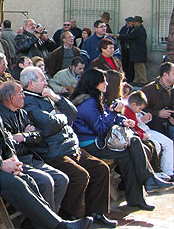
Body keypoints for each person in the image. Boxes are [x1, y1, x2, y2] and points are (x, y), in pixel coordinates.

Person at [0, 73, 93, 229]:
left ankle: (48, 225)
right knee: (16, 183)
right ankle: (60, 226)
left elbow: (5, 137)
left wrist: (13, 159)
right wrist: (1, 164)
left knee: (31, 181)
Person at [20, 66, 115, 226]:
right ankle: (69, 215)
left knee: (100, 168)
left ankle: (96, 213)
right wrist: (62, 118)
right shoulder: (28, 102)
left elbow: (73, 113)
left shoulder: (47, 95)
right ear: (30, 83)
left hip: (70, 145)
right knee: (79, 176)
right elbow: (48, 125)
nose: (46, 81)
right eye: (42, 79)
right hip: (53, 151)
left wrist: (56, 99)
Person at [70, 69, 172, 210]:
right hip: (91, 144)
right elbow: (100, 128)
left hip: (101, 141)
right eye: (103, 81)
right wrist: (114, 113)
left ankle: (142, 191)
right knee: (131, 149)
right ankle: (145, 184)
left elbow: (108, 116)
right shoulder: (87, 103)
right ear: (94, 83)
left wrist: (122, 120)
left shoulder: (95, 97)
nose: (106, 83)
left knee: (132, 147)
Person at [0, 81, 69, 212]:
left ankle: (48, 219)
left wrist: (24, 136)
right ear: (12, 98)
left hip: (31, 158)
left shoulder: (22, 113)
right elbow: (9, 146)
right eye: (21, 93)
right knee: (45, 181)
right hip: (16, 162)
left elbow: (39, 135)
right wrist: (26, 138)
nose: (24, 96)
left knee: (62, 179)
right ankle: (47, 223)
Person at [124, 90, 174, 181]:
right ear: (134, 104)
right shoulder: (125, 110)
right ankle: (155, 173)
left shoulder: (134, 109)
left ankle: (169, 172)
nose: (140, 111)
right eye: (140, 109)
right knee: (156, 146)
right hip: (139, 133)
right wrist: (141, 123)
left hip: (146, 130)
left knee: (169, 143)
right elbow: (131, 127)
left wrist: (145, 118)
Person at [142, 61, 174, 140]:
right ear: (165, 75)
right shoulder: (148, 90)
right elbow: (140, 110)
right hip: (155, 126)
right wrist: (158, 113)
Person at [89, 38, 124, 106]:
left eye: (113, 48)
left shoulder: (117, 61)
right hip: (105, 93)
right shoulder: (96, 63)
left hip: (117, 90)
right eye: (110, 48)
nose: (112, 50)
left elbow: (121, 74)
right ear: (103, 49)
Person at [117, 16, 148, 85]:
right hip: (136, 52)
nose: (133, 23)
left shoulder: (138, 30)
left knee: (140, 67)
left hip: (139, 52)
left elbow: (129, 36)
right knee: (136, 67)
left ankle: (143, 81)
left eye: (134, 22)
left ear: (137, 22)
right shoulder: (137, 29)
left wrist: (119, 36)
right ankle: (136, 80)